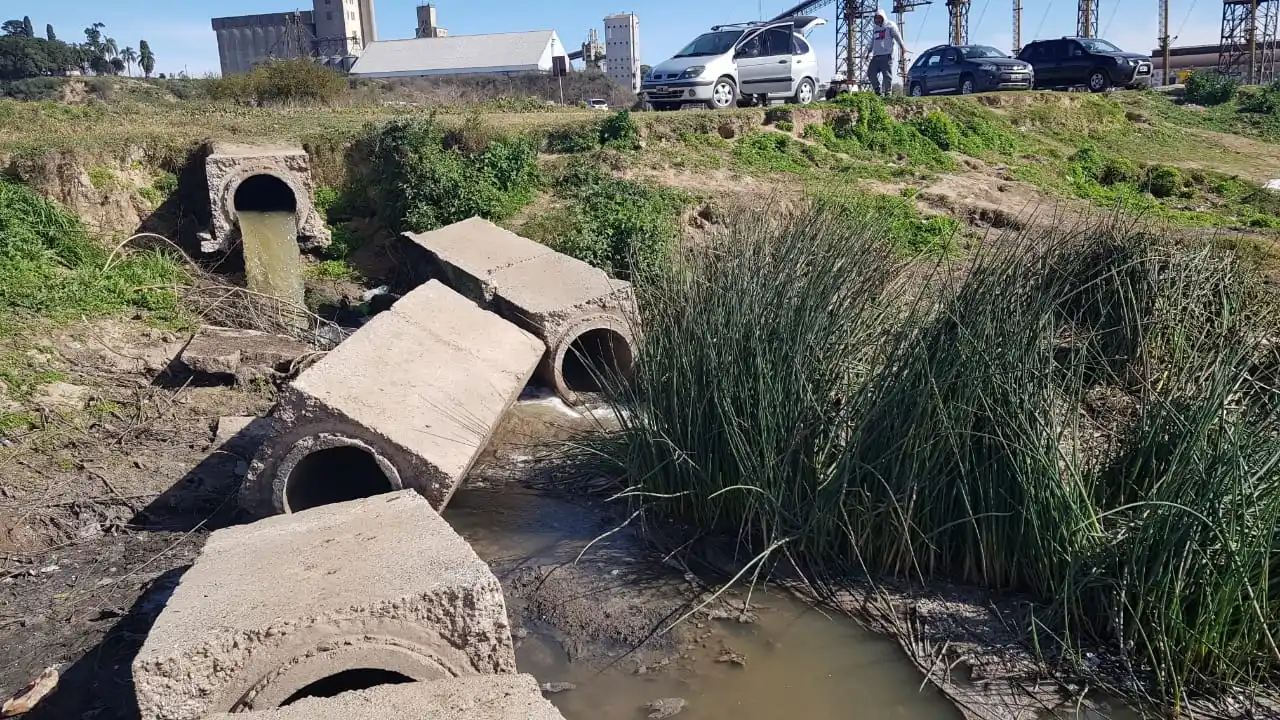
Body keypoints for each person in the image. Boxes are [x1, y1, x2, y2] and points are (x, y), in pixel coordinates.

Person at [866, 8, 908, 97]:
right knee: (871, 73)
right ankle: (877, 91)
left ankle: (887, 93)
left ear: (883, 17)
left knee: (887, 75)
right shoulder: (875, 28)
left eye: (879, 18)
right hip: (876, 55)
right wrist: (868, 51)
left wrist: (902, 47)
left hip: (887, 55)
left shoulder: (890, 26)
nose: (877, 20)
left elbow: (897, 36)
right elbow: (873, 41)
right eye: (876, 18)